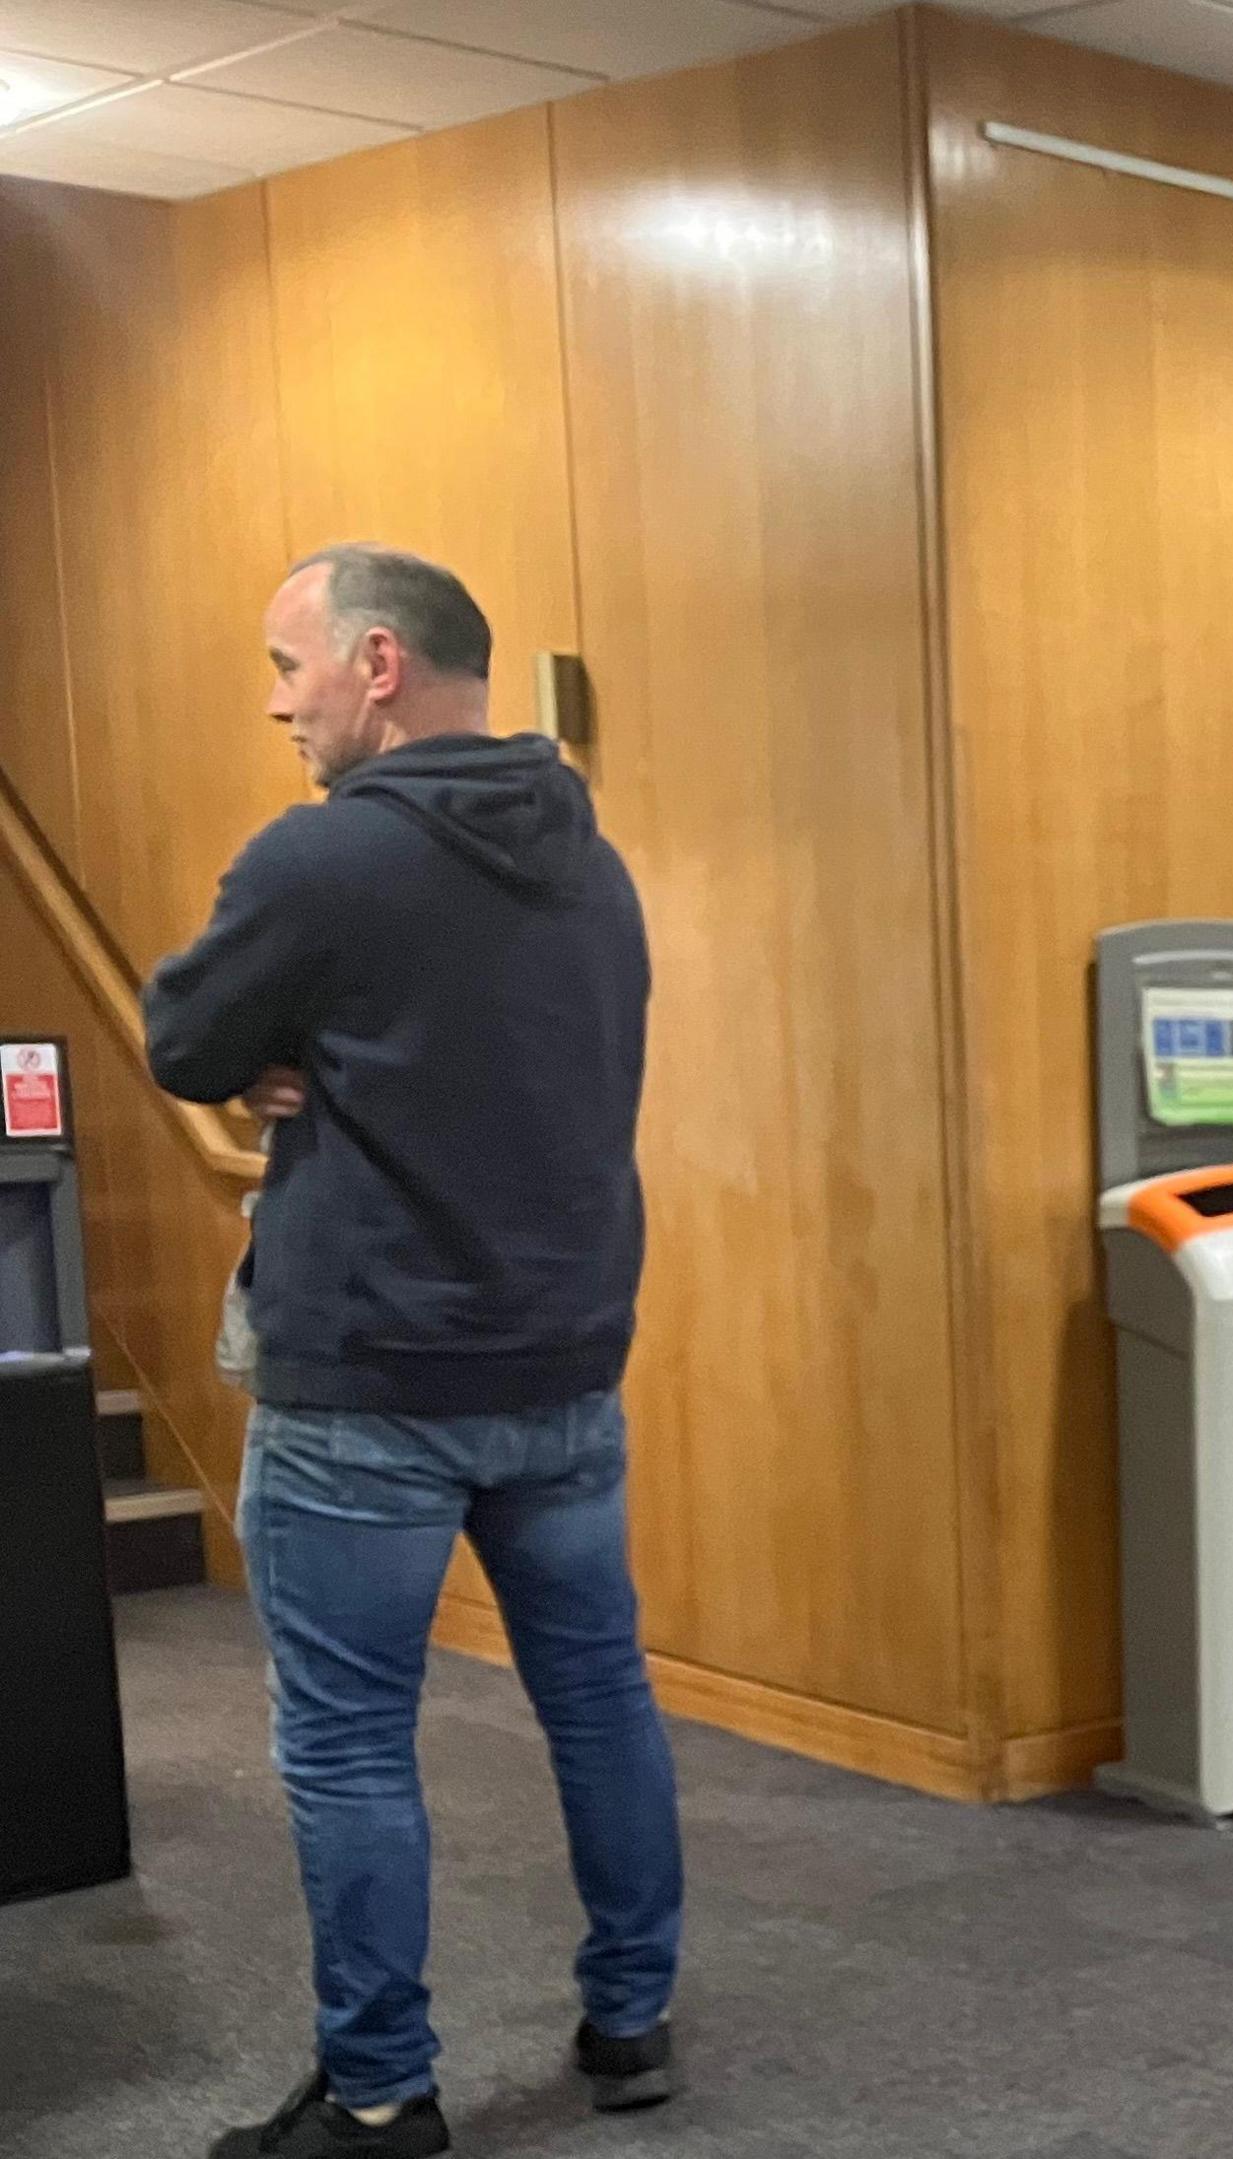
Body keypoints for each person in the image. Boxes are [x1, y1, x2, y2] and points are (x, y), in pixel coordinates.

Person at [146, 546, 678, 2159]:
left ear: (378, 663)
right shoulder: (595, 864)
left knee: (348, 1739)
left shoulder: (324, 865)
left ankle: (381, 2092)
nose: (275, 699)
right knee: (600, 1698)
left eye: (287, 663)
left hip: (371, 1381)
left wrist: (264, 1069)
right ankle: (633, 2013)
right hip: (565, 1368)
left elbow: (183, 1039)